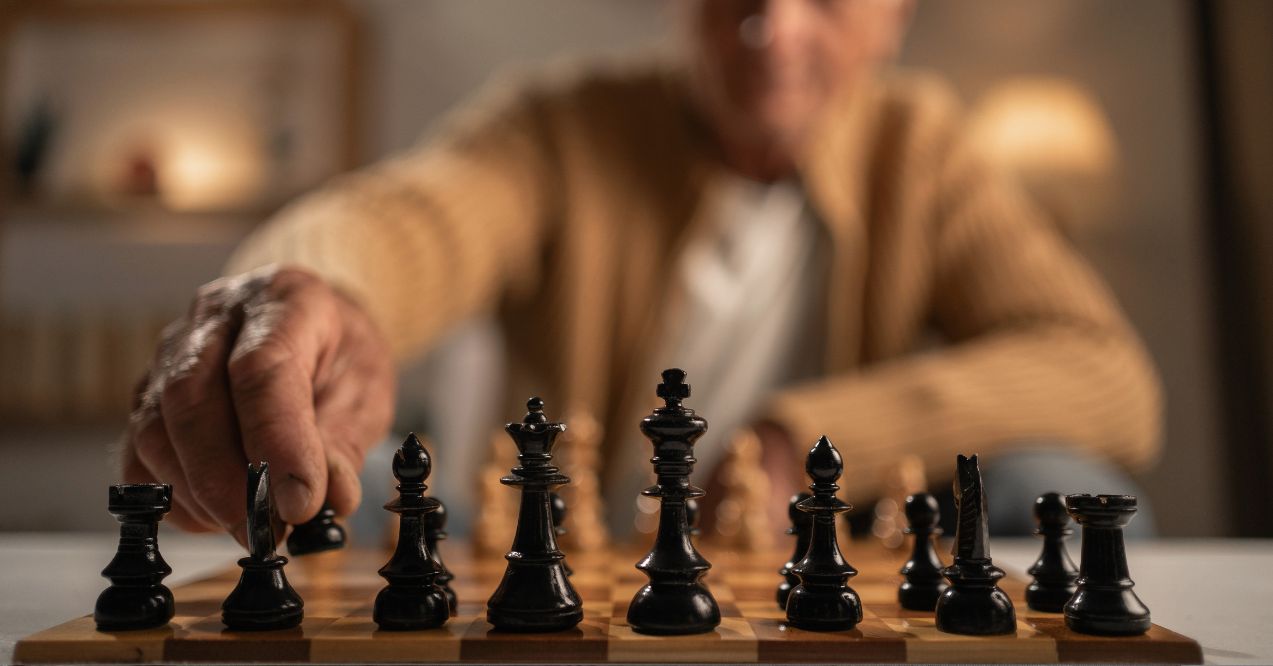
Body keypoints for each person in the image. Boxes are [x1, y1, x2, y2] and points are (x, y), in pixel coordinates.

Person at [119, 0, 1162, 542]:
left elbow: (1105, 373)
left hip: (811, 565)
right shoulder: (563, 123)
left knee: (1074, 488)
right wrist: (313, 287)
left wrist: (800, 440)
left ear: (895, 12)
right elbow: (417, 215)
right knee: (355, 476)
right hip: (551, 543)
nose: (771, 27)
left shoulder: (928, 154)